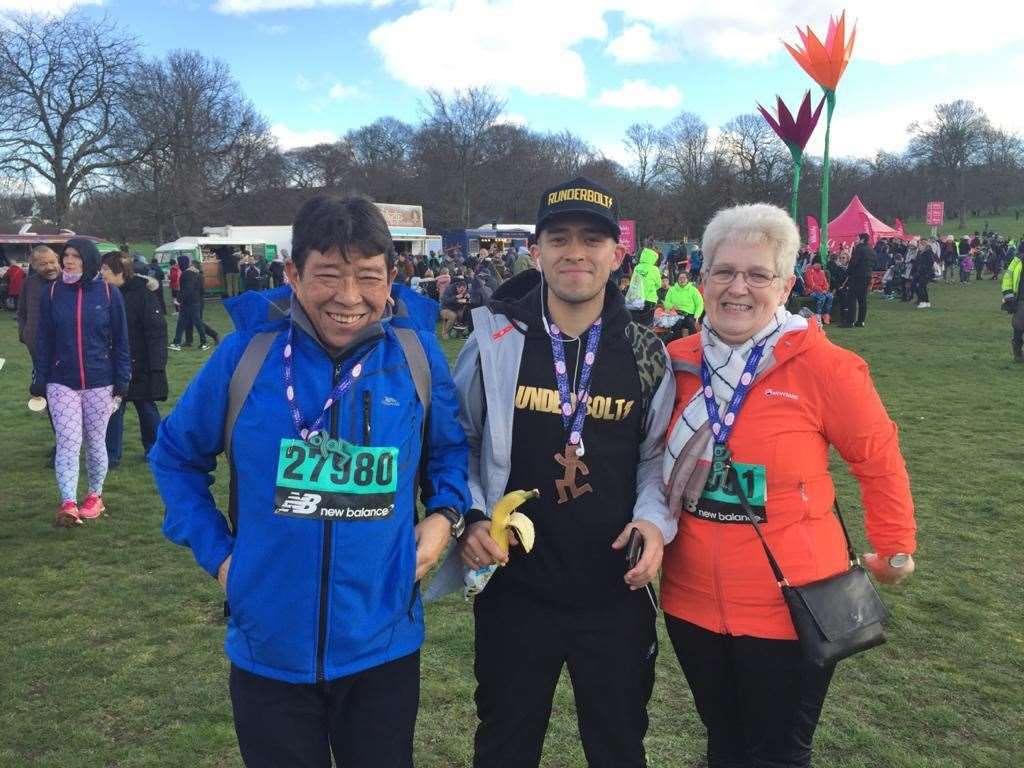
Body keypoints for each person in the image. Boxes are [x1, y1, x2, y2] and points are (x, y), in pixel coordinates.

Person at [149, 195, 471, 768]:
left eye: (368, 278)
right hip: (268, 648)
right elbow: (175, 456)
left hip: (383, 644)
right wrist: (222, 558)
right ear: (293, 274)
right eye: (327, 276)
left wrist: (444, 516)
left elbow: (448, 451)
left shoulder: (417, 357)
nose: (348, 299)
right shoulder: (244, 357)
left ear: (392, 276)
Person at [662, 203, 917, 768]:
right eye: (724, 271)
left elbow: (876, 457)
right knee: (724, 742)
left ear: (785, 285)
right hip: (692, 601)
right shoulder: (674, 363)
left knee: (777, 751)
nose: (738, 288)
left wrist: (895, 542)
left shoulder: (824, 366)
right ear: (700, 279)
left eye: (758, 274)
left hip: (792, 600)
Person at [442, 176, 675, 768]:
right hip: (516, 590)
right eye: (559, 238)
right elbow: (461, 442)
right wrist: (469, 518)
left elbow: (653, 460)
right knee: (504, 746)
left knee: (620, 747)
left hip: (615, 593)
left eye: (593, 240)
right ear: (536, 251)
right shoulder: (494, 337)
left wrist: (652, 521)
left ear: (617, 254)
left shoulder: (647, 351)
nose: (576, 252)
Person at [30, 238, 130, 527]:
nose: (68, 261)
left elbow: (122, 342)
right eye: (66, 256)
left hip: (101, 381)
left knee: (96, 441)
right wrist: (40, 378)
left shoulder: (109, 294)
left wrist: (122, 380)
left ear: (88, 260)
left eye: (75, 256)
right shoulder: (51, 293)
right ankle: (69, 503)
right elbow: (44, 340)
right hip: (62, 382)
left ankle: (94, 497)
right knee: (69, 442)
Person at [100, 254, 168, 462]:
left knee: (145, 406)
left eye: (105, 269)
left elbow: (156, 331)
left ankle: (155, 450)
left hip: (141, 362)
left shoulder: (142, 295)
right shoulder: (105, 294)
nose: (101, 273)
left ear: (119, 271)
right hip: (114, 361)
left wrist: (156, 365)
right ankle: (111, 455)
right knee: (113, 409)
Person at [18, 246, 62, 466]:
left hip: (63, 355)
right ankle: (61, 442)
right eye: (43, 264)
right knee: (48, 400)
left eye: (52, 261)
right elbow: (22, 312)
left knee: (61, 402)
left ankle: (65, 448)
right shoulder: (30, 284)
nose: (49, 267)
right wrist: (24, 335)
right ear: (34, 266)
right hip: (38, 354)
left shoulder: (69, 282)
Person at [169, 256, 208, 350]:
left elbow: (186, 289)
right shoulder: (197, 273)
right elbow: (202, 289)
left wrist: (179, 299)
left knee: (185, 322)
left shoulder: (186, 274)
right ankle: (203, 343)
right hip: (196, 301)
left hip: (188, 302)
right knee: (192, 322)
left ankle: (178, 342)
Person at [843, 233, 873, 327]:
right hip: (867, 276)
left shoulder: (859, 249)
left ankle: (850, 321)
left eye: (857, 238)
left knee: (851, 298)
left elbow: (853, 263)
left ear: (862, 240)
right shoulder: (871, 250)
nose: (855, 240)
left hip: (857, 277)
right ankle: (861, 321)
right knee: (862, 299)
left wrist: (848, 272)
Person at [662, 269, 704, 336]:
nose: (682, 280)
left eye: (684, 278)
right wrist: (672, 306)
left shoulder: (693, 290)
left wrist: (697, 316)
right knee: (677, 325)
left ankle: (692, 343)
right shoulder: (672, 290)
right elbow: (666, 303)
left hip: (689, 314)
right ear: (677, 279)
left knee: (691, 324)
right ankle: (674, 342)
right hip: (675, 314)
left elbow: (700, 303)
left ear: (687, 279)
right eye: (680, 278)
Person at [1001, 247, 1024, 362]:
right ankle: (1018, 354)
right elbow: (1008, 277)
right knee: (1018, 328)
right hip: (1020, 300)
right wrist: (1008, 295)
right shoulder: (1017, 260)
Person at [631, 244, 663, 326]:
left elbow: (633, 281)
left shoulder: (637, 267)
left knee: (635, 323)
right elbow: (659, 284)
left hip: (635, 298)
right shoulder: (654, 269)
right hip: (649, 298)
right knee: (646, 324)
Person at [802, 257, 833, 324]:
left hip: (821, 291)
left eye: (820, 263)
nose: (819, 265)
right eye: (817, 263)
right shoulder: (809, 271)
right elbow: (811, 284)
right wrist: (822, 290)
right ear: (814, 263)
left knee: (830, 296)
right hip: (811, 291)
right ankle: (817, 315)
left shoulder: (822, 272)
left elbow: (826, 283)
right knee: (822, 297)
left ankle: (826, 314)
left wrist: (825, 289)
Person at [914, 241, 933, 308]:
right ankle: (927, 302)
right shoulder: (922, 252)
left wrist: (924, 269)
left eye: (920, 246)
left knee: (921, 287)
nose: (919, 247)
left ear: (924, 246)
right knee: (923, 287)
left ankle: (923, 302)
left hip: (925, 273)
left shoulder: (927, 252)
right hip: (922, 272)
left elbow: (930, 263)